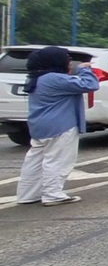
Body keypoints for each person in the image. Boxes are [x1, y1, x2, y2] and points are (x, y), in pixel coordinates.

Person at [16, 47, 100, 206]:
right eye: (67, 60)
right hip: (61, 126)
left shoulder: (36, 78)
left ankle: (27, 195)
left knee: (34, 162)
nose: (69, 63)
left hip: (39, 126)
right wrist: (83, 70)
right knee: (58, 161)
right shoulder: (55, 78)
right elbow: (90, 85)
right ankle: (53, 194)